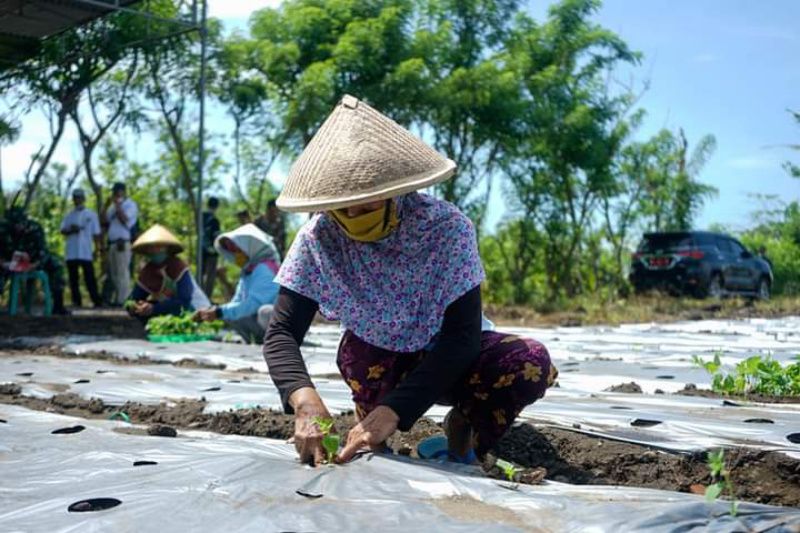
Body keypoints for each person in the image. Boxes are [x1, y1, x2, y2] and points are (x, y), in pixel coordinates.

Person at [263, 95, 557, 467]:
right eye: (343, 207)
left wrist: (395, 412)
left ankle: (462, 427)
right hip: (376, 360)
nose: (354, 215)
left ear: (395, 191)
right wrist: (304, 401)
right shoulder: (318, 238)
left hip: (454, 359)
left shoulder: (445, 228)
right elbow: (281, 334)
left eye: (367, 204)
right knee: (361, 361)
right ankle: (368, 423)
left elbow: (461, 338)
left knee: (528, 361)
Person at [194, 224, 280, 344]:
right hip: (259, 321)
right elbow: (237, 302)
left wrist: (219, 312)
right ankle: (256, 341)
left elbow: (253, 304)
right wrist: (212, 312)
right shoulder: (249, 271)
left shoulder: (265, 269)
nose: (236, 255)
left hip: (274, 320)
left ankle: (279, 344)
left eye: (238, 250)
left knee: (265, 312)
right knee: (231, 313)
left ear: (251, 247)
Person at [126, 224, 209, 323]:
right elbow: (133, 298)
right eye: (150, 247)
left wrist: (154, 308)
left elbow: (185, 300)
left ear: (166, 248)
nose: (153, 250)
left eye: (158, 246)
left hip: (195, 310)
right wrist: (135, 307)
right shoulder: (148, 270)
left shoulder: (177, 265)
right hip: (167, 312)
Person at [0, 205, 69, 315]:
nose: (18, 226)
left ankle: (58, 306)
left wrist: (34, 265)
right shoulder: (3, 229)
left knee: (56, 265)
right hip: (7, 261)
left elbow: (42, 252)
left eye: (20, 223)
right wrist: (2, 263)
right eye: (15, 223)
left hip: (32, 261)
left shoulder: (35, 228)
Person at [60, 188, 102, 308]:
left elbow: (97, 233)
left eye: (79, 197)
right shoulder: (69, 215)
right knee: (73, 278)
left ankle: (96, 301)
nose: (77, 200)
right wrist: (71, 230)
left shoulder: (91, 214)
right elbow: (62, 230)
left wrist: (97, 249)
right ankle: (76, 301)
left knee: (89, 277)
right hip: (72, 251)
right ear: (73, 199)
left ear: (83, 199)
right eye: (75, 198)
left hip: (85, 251)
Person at [102, 183, 138, 306]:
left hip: (122, 242)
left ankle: (124, 300)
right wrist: (107, 205)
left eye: (118, 191)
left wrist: (117, 205)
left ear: (123, 191)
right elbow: (104, 221)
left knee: (123, 272)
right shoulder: (112, 206)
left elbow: (125, 220)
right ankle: (118, 299)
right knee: (114, 273)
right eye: (114, 191)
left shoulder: (130, 205)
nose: (116, 193)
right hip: (112, 243)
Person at [201, 196, 222, 298]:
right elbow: (216, 236)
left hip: (201, 251)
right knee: (210, 276)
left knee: (201, 274)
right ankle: (206, 298)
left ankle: (199, 296)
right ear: (216, 207)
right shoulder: (214, 220)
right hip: (212, 253)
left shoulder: (201, 217)